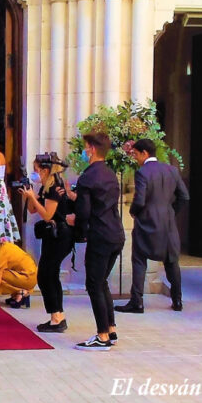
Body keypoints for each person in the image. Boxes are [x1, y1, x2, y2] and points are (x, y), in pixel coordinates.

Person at [115, 138, 189, 315]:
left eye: (136, 154)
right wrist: (170, 212)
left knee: (139, 260)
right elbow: (184, 197)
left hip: (147, 221)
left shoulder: (142, 172)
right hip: (168, 223)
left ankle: (137, 302)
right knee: (172, 261)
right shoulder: (171, 170)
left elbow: (139, 200)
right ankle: (177, 300)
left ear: (144, 153)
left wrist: (134, 212)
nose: (135, 158)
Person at [67, 131, 125, 351]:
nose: (84, 151)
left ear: (91, 148)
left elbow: (84, 212)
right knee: (101, 282)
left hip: (100, 236)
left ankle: (102, 336)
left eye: (85, 147)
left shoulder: (87, 177)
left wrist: (76, 224)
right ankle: (110, 329)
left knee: (93, 283)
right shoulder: (111, 174)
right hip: (116, 234)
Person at [20, 152, 74, 332]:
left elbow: (48, 215)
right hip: (52, 236)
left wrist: (33, 197)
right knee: (49, 274)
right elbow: (33, 210)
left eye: (36, 170)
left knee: (45, 275)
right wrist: (29, 194)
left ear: (45, 170)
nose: (34, 173)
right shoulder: (44, 186)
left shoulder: (55, 186)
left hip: (60, 235)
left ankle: (56, 317)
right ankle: (57, 316)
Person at [0, 232, 37, 309]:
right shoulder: (2, 246)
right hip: (31, 274)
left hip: (28, 277)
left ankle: (22, 292)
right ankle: (17, 294)